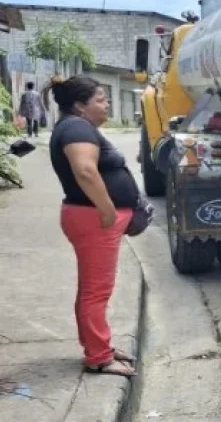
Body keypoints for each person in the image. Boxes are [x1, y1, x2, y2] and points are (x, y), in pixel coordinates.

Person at [50, 76, 139, 378]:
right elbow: (86, 171)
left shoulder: (78, 126)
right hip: (92, 218)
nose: (107, 104)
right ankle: (98, 357)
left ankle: (98, 344)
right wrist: (108, 210)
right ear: (80, 105)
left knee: (92, 291)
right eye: (100, 99)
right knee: (95, 293)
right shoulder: (76, 128)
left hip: (89, 217)